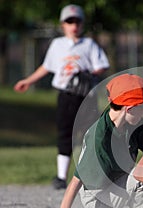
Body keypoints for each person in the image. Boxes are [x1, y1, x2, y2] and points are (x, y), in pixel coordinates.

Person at [44, 73, 143, 208]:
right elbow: (75, 182)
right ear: (130, 108)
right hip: (97, 198)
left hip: (122, 183)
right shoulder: (99, 138)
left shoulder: (134, 123)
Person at [14, 4, 110, 189]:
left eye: (77, 21)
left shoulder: (89, 44)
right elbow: (46, 66)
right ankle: (61, 177)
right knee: (65, 133)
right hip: (66, 96)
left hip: (86, 96)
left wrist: (88, 72)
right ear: (62, 24)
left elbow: (102, 65)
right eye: (69, 21)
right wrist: (29, 81)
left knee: (91, 134)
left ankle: (92, 174)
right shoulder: (57, 44)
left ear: (82, 24)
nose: (73, 25)